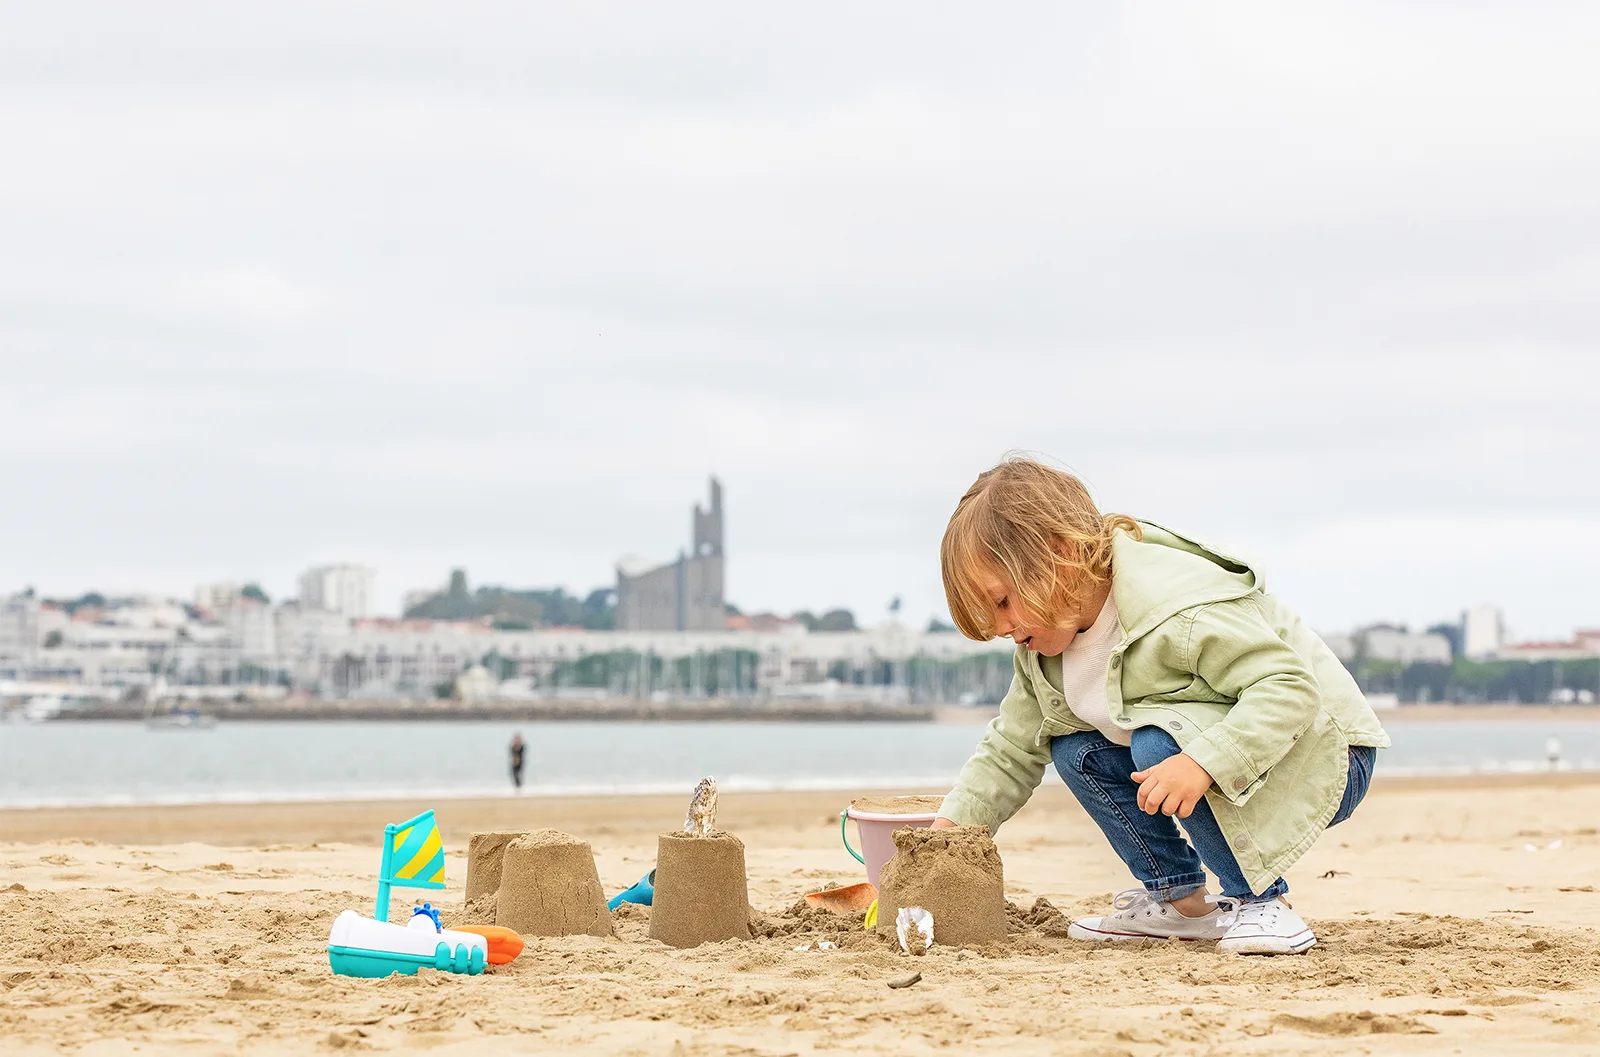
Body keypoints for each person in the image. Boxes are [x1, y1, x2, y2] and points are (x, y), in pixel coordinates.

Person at [932, 456, 1389, 955]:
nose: (1000, 627)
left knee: (1157, 744)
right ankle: (1181, 901)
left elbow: (1289, 688)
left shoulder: (1177, 608)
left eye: (1002, 602)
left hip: (1328, 754)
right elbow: (1009, 750)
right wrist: (945, 837)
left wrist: (1202, 763)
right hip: (1225, 750)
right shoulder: (1043, 653)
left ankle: (1260, 902)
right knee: (1075, 749)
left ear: (1060, 556)